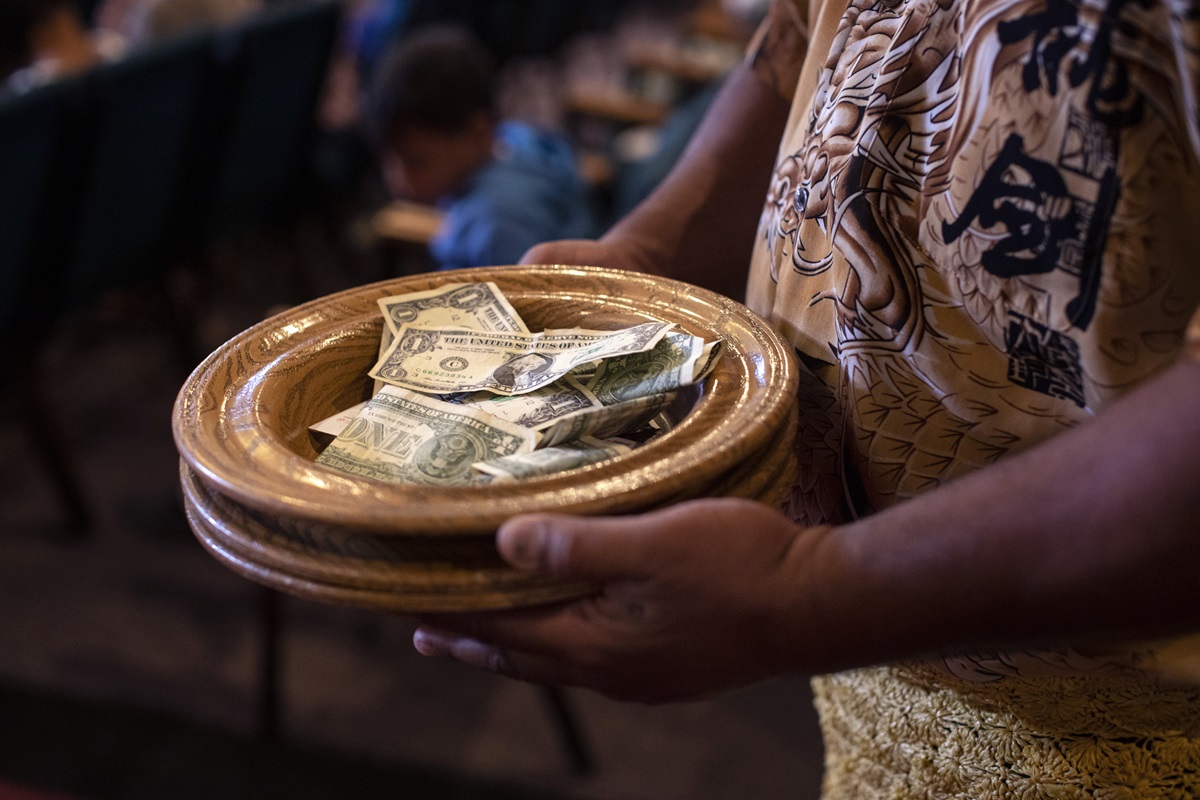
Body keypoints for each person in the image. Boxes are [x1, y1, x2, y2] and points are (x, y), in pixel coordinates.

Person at [407, 0, 1200, 795]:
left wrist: (807, 594)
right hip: (864, 648)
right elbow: (811, 35)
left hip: (1111, 732)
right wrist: (648, 249)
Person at [362, 26, 597, 271]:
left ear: (478, 133)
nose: (397, 179)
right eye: (388, 160)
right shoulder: (515, 139)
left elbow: (520, 305)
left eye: (417, 161)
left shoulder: (499, 224)